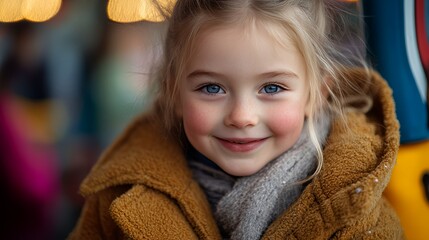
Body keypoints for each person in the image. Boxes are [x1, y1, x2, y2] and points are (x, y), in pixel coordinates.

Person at [69, 0, 404, 239]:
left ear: (315, 95)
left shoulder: (355, 208)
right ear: (174, 94)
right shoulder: (117, 198)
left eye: (271, 87)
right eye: (212, 88)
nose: (242, 116)